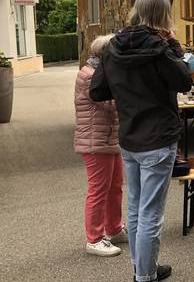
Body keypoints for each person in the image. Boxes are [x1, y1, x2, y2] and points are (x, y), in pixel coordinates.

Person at [90, 0, 193, 282]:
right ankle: (145, 277)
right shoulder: (161, 49)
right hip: (158, 140)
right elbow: (184, 81)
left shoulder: (112, 47)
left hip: (129, 139)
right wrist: (175, 48)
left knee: (135, 209)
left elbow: (97, 90)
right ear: (164, 14)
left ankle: (142, 268)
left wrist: (125, 89)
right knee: (150, 214)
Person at [75, 34, 127, 257]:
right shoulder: (90, 75)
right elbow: (108, 103)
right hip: (95, 141)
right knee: (98, 190)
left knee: (115, 186)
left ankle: (114, 228)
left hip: (108, 138)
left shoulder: (101, 72)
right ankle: (94, 239)